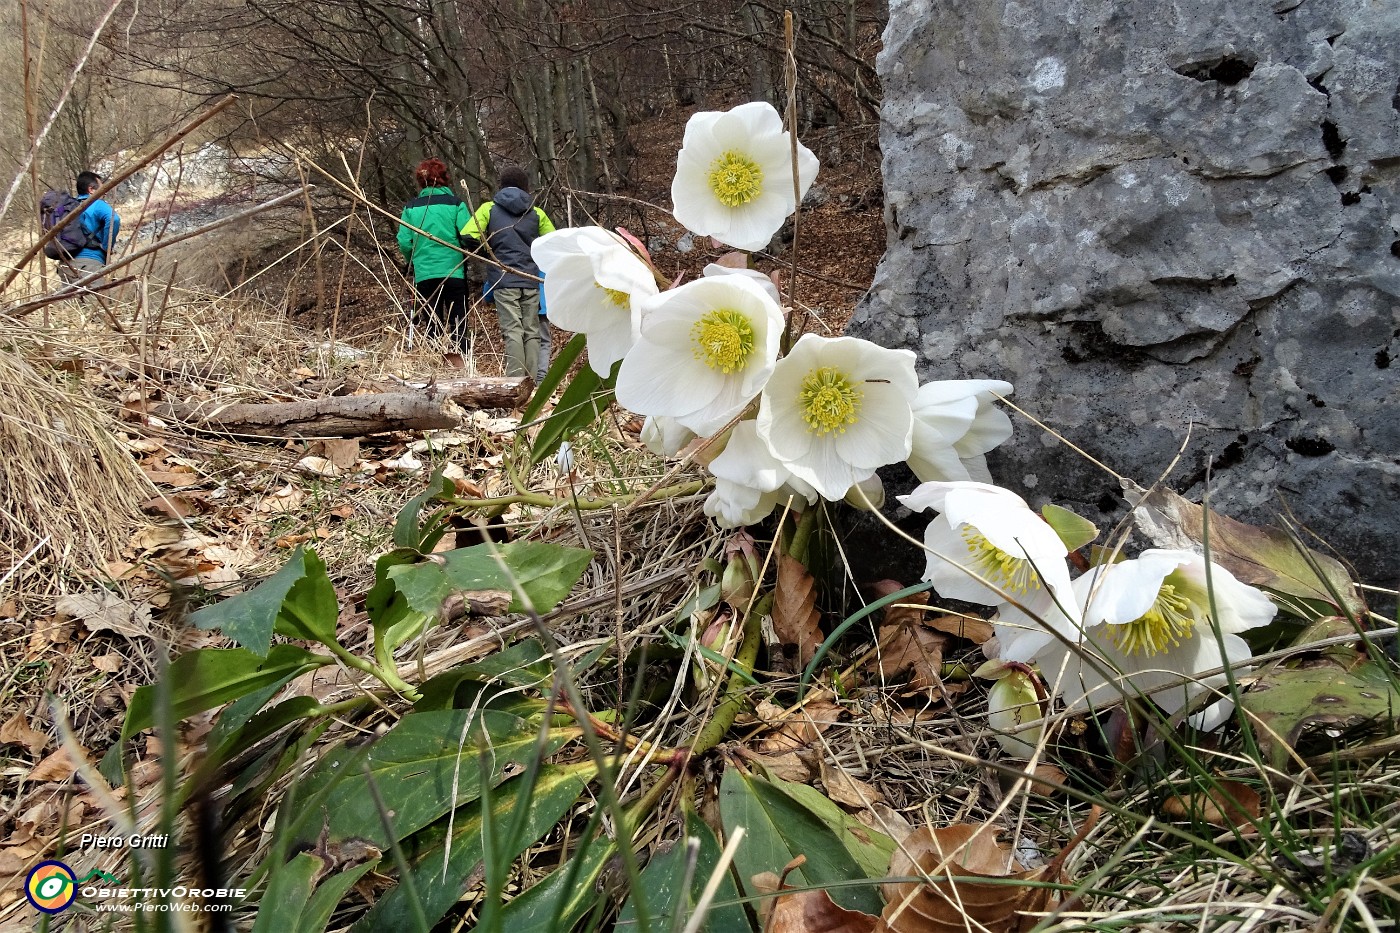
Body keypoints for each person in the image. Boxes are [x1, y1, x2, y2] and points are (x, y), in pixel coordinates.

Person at [461, 166, 555, 380]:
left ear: (501, 186)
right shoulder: (536, 212)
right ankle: (531, 383)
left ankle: (514, 382)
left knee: (513, 330)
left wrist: (488, 252)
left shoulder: (488, 209)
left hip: (503, 278)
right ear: (526, 188)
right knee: (531, 331)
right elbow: (552, 242)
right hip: (530, 279)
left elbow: (467, 234)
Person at [396, 158, 471, 350]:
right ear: (445, 178)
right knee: (458, 324)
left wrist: (412, 260)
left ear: (421, 181)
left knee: (432, 325)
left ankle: (434, 367)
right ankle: (461, 364)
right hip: (454, 271)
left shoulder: (411, 208)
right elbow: (468, 234)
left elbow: (404, 241)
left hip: (425, 274)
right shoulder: (456, 204)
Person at [60, 171, 120, 288]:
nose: (105, 192)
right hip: (90, 265)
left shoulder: (67, 208)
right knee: (96, 304)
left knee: (73, 305)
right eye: (103, 189)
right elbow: (114, 219)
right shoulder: (96, 204)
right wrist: (107, 246)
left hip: (65, 266)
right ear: (91, 189)